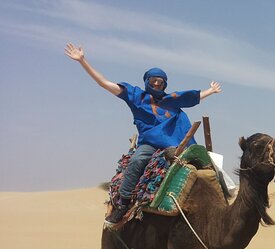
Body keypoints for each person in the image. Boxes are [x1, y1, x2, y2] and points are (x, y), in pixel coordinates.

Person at [64, 43, 222, 225]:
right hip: (150, 143)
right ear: (147, 81)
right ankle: (123, 203)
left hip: (177, 143)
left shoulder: (172, 99)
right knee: (138, 160)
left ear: (164, 84)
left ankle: (221, 202)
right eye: (153, 80)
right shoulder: (136, 96)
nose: (156, 83)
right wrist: (83, 61)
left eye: (160, 81)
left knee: (208, 166)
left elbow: (193, 97)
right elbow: (104, 84)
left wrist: (210, 91)